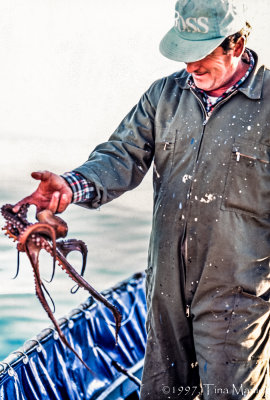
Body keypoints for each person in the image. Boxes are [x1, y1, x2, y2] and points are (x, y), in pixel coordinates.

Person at [13, 0, 270, 398]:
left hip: (238, 296)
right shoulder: (163, 97)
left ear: (235, 45)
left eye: (200, 54)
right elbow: (120, 157)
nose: (190, 67)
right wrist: (70, 184)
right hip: (164, 288)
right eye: (184, 54)